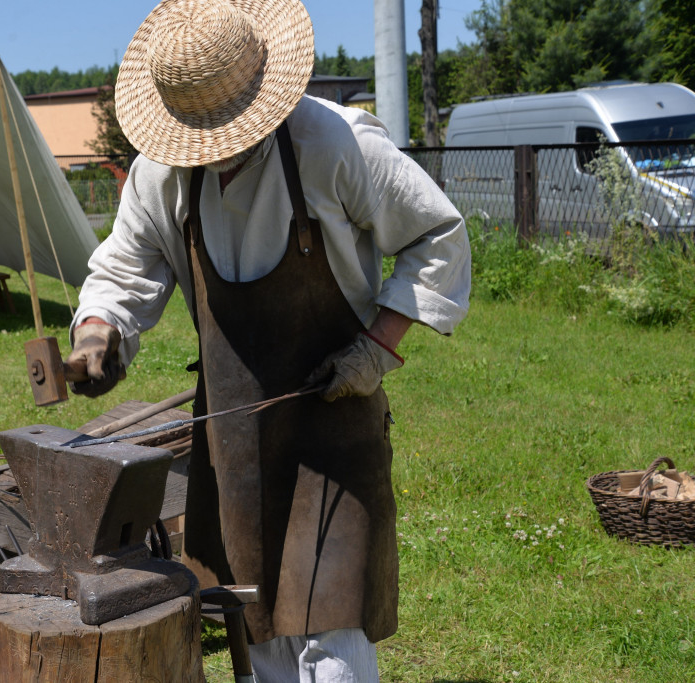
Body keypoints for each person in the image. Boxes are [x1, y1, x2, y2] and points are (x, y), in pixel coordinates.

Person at [65, 1, 471, 681]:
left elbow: (438, 235)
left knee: (331, 635)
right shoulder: (163, 172)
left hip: (335, 422)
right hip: (233, 442)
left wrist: (378, 347)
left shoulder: (335, 143)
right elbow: (123, 271)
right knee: (254, 626)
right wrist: (97, 333)